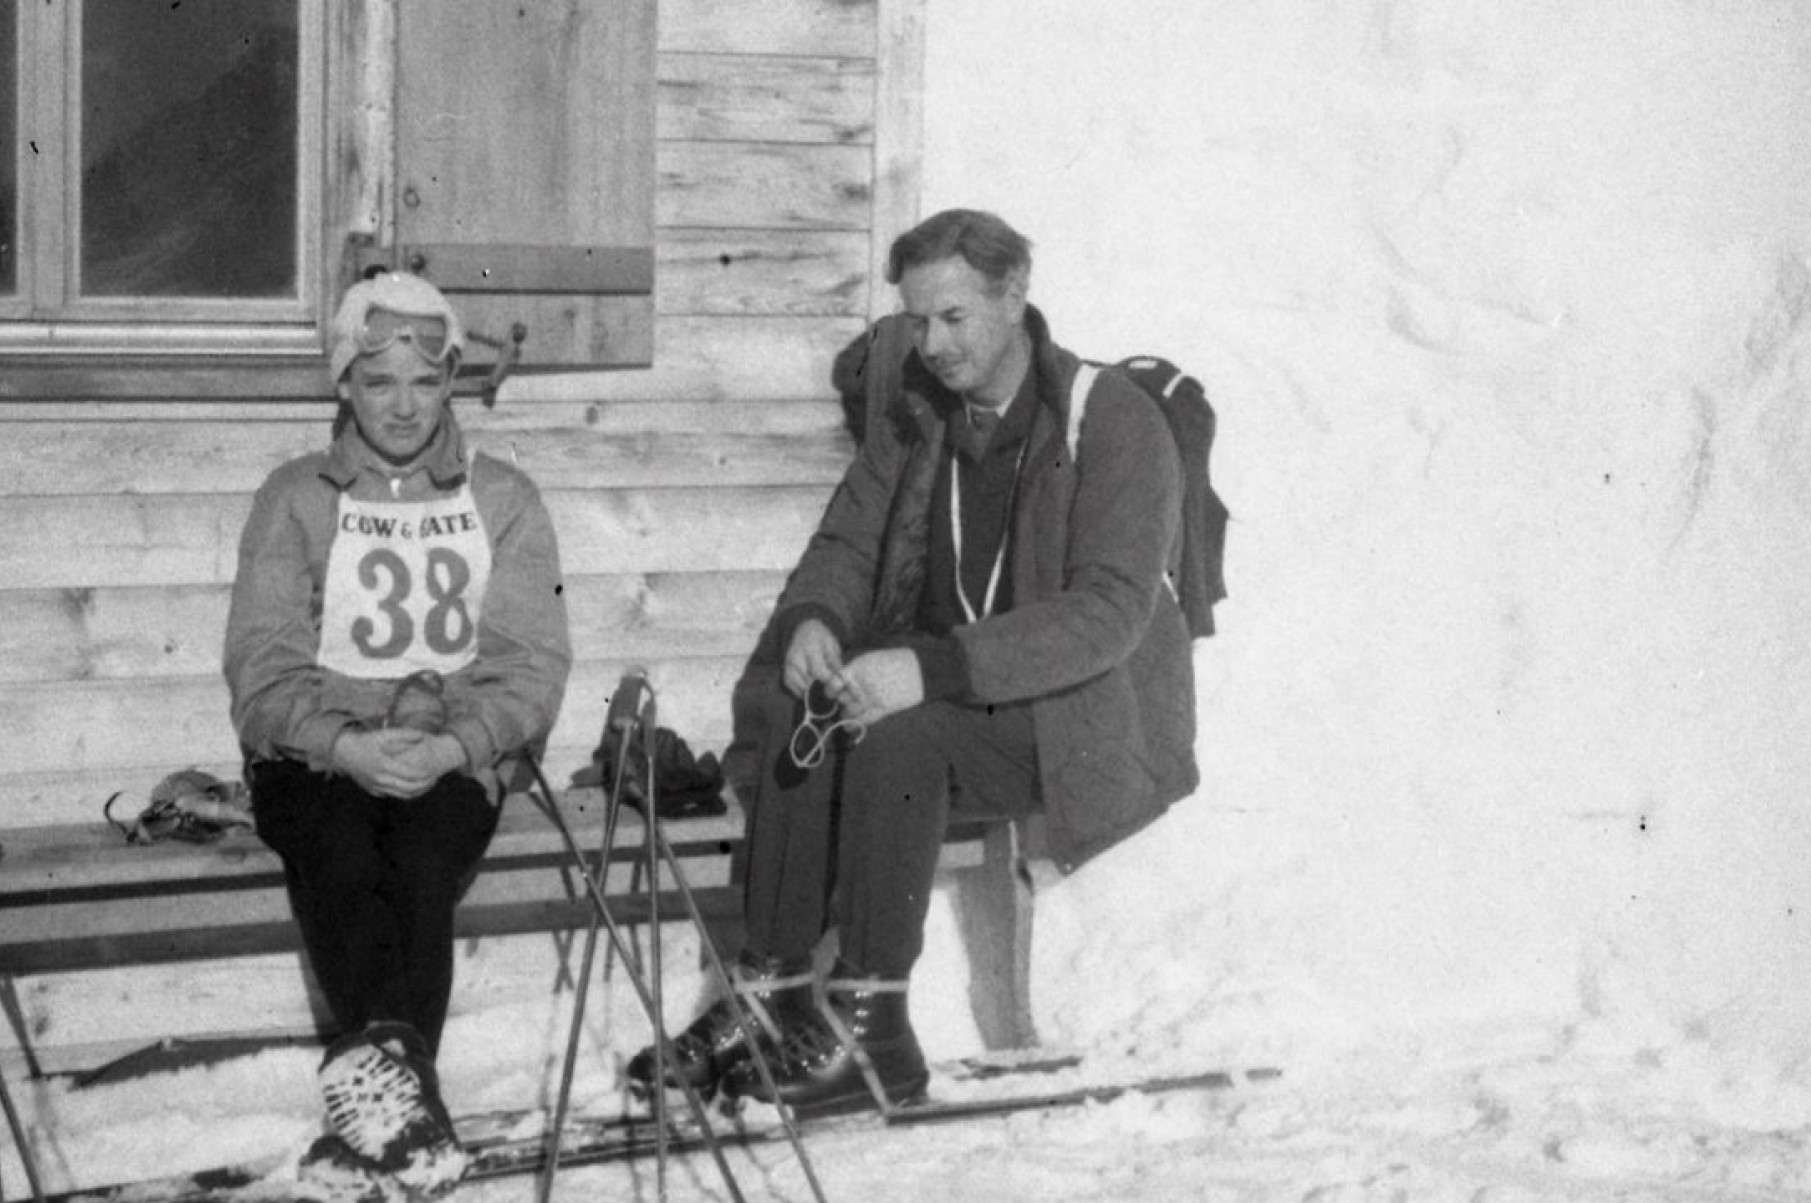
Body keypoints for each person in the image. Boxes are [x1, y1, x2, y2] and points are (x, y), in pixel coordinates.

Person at [631, 209, 1198, 1117]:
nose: (931, 344)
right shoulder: (920, 415)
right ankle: (769, 995)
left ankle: (874, 1030)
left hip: (1079, 714)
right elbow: (848, 541)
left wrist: (928, 669)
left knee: (903, 734)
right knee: (798, 711)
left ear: (1015, 298)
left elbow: (1108, 615)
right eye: (917, 320)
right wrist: (815, 620)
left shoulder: (1110, 419)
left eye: (954, 318)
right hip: (962, 688)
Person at [223, 271, 571, 1193]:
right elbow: (261, 668)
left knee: (419, 859)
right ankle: (412, 1116)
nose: (405, 405)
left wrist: (457, 744)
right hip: (320, 756)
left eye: (426, 380)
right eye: (379, 382)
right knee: (339, 846)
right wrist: (344, 746)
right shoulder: (295, 497)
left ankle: (381, 1119)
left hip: (452, 752)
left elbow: (531, 665)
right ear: (344, 383)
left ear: (453, 377)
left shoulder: (504, 498)